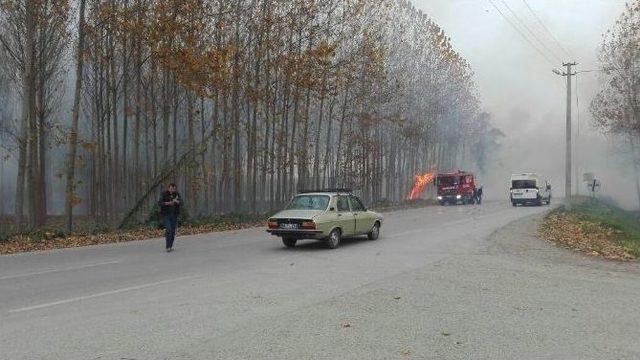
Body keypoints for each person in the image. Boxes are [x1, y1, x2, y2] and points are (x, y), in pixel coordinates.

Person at [159, 183, 181, 252]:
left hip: (174, 215)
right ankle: (167, 247)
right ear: (168, 188)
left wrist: (176, 201)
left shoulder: (176, 194)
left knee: (173, 231)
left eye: (174, 189)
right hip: (166, 215)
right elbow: (160, 203)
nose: (172, 190)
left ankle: (170, 246)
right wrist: (168, 203)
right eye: (171, 188)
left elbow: (182, 202)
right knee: (168, 230)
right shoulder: (164, 194)